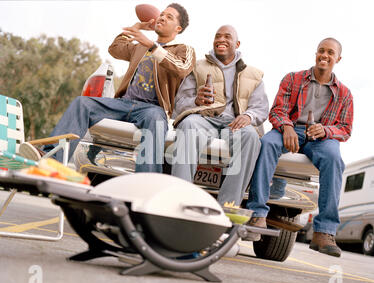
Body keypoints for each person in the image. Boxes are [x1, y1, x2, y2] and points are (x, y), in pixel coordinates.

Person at [20, 3, 195, 173]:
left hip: (152, 108)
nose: (162, 17)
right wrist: (136, 28)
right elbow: (115, 49)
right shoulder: (141, 47)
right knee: (82, 103)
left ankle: (147, 179)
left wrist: (152, 46)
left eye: (169, 17)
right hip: (123, 103)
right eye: (162, 14)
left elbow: (181, 68)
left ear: (178, 28)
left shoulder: (183, 49)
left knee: (155, 121)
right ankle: (51, 159)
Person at [244, 38, 354, 258]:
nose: (324, 55)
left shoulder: (344, 94)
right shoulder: (293, 79)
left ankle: (324, 232)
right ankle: (258, 214)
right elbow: (277, 111)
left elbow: (345, 129)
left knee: (334, 158)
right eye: (321, 51)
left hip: (320, 138)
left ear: (338, 59)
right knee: (266, 143)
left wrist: (325, 131)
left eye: (330, 52)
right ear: (315, 54)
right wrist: (287, 127)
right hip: (290, 129)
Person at [171, 25, 269, 206]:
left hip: (235, 123)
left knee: (251, 136)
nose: (221, 40)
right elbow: (180, 103)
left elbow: (260, 108)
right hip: (204, 119)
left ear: (237, 44)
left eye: (227, 37)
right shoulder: (198, 67)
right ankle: (179, 199)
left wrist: (248, 116)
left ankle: (228, 207)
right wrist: (196, 101)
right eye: (217, 36)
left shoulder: (253, 74)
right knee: (188, 125)